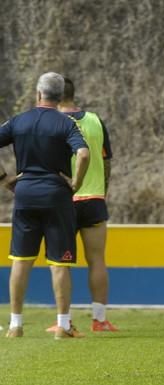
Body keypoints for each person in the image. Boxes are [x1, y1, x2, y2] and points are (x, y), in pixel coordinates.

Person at [0, 72, 90, 339]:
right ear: (60, 97)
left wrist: (4, 179)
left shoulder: (19, 121)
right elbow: (83, 153)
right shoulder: (67, 123)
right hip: (56, 194)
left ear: (38, 94)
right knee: (59, 263)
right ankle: (63, 325)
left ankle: (15, 325)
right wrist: (76, 182)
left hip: (25, 193)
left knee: (21, 260)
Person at [54, 77, 117, 332]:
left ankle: (62, 320)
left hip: (62, 198)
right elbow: (107, 161)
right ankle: (99, 319)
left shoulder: (51, 122)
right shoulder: (95, 120)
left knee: (60, 262)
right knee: (97, 260)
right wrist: (102, 190)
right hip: (93, 198)